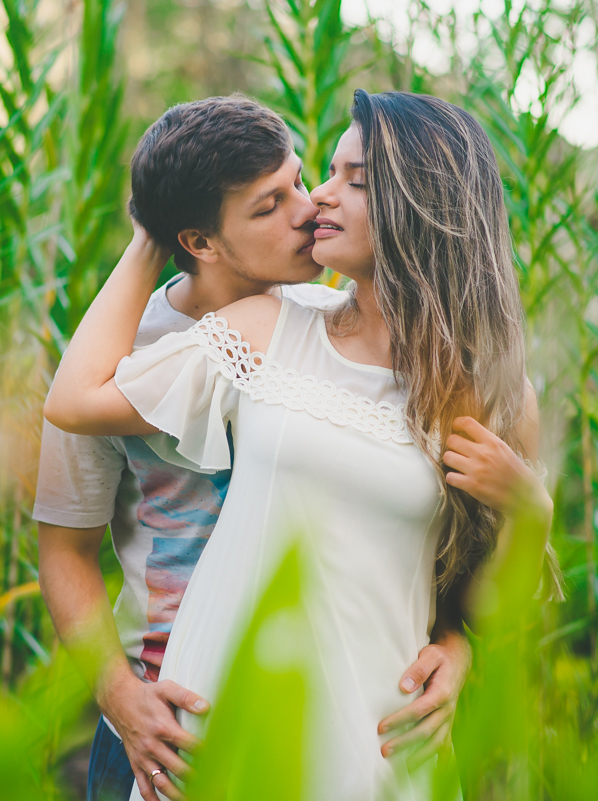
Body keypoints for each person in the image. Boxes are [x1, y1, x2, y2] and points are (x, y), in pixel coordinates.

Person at [35, 95, 475, 801]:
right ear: (200, 240)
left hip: (333, 715)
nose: (308, 209)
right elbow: (63, 549)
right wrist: (120, 698)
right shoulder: (117, 359)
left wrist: (456, 646)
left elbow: (416, 537)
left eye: (301, 180)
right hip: (167, 729)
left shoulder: (339, 328)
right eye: (270, 205)